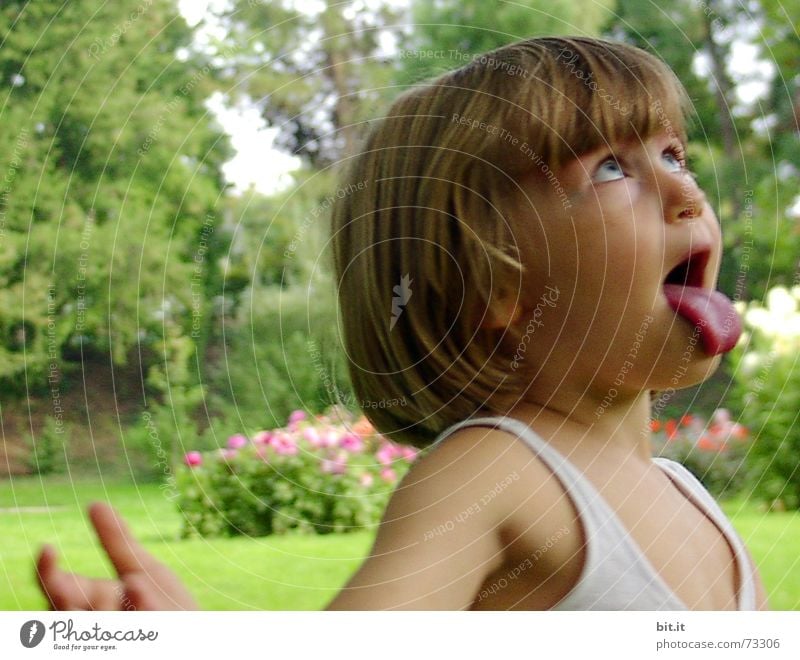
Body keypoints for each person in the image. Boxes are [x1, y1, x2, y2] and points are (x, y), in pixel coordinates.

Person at [36, 36, 769, 611]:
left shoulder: (691, 500)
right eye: (611, 169)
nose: (685, 191)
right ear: (496, 283)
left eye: (674, 153)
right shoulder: (498, 471)